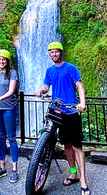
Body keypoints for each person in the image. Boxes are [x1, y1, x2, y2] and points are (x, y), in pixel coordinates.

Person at [34, 41, 89, 195]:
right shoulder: (49, 71)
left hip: (71, 112)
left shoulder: (71, 68)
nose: (54, 54)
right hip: (57, 112)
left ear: (61, 52)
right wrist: (40, 90)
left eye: (57, 51)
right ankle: (73, 173)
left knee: (77, 146)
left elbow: (80, 85)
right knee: (66, 145)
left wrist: (82, 103)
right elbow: (46, 87)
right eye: (52, 52)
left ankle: (83, 181)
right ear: (49, 54)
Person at [0, 49, 20, 183]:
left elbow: (12, 91)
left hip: (9, 108)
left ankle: (14, 170)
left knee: (11, 138)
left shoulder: (12, 73)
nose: (1, 61)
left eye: (3, 59)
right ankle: (2, 167)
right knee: (0, 137)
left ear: (7, 61)